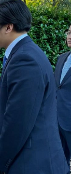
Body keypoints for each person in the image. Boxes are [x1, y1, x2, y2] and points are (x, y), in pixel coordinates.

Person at [0, 0, 68, 174]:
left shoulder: (25, 59)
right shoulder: (22, 53)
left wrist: (0, 159)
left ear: (8, 27)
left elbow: (18, 121)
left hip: (32, 163)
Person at [55, 25, 71, 169]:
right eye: (69, 32)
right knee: (59, 160)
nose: (70, 36)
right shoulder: (61, 58)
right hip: (57, 120)